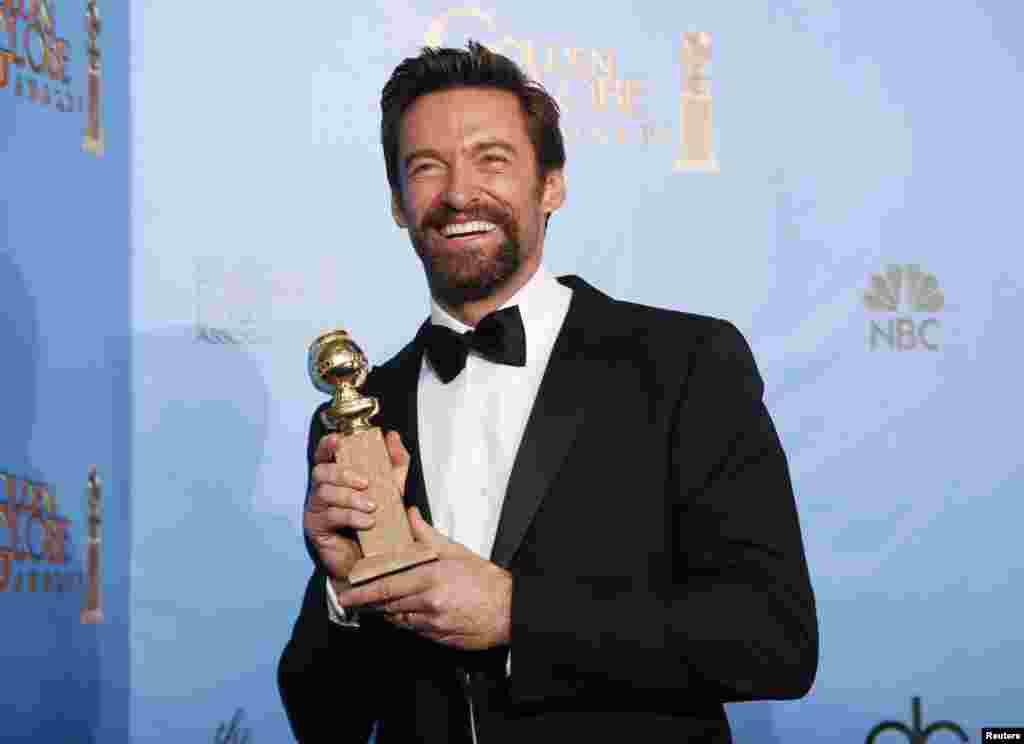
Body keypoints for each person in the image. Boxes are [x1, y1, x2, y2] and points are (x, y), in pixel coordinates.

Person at [278, 41, 818, 743]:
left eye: (491, 160)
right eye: (426, 168)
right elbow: (326, 718)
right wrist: (343, 593)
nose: (458, 193)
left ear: (552, 184)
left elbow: (772, 640)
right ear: (397, 205)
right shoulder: (362, 410)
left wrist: (515, 615)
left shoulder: (684, 363)